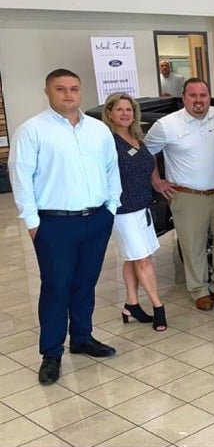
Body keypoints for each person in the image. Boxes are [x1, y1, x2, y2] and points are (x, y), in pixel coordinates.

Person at [10, 69, 122, 385]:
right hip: (54, 224)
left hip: (96, 219)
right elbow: (21, 179)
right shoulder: (32, 131)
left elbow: (112, 170)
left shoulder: (99, 130)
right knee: (57, 287)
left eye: (73, 88)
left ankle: (82, 337)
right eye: (60, 89)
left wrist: (111, 208)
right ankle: (51, 353)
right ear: (47, 92)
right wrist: (33, 224)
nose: (68, 94)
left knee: (86, 283)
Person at [145, 78, 214, 311]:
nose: (199, 100)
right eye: (193, 95)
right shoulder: (166, 124)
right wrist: (157, 181)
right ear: (183, 98)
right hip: (187, 196)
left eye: (203, 95)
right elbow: (145, 153)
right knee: (193, 245)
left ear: (209, 97)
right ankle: (199, 290)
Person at [102, 93, 167, 331]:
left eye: (128, 109)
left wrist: (158, 183)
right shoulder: (107, 142)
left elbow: (148, 167)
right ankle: (158, 306)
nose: (125, 113)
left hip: (143, 206)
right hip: (123, 210)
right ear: (109, 113)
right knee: (143, 259)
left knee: (133, 257)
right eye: (119, 109)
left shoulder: (137, 139)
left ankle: (131, 304)